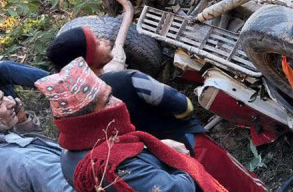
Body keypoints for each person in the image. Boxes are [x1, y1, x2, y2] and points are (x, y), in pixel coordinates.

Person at [47, 27, 268, 192]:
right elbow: (184, 105)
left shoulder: (74, 154)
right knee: (240, 184)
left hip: (165, 167)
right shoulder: (128, 80)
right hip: (189, 149)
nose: (117, 102)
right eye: (98, 42)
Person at [35, 57, 225, 192]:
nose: (118, 102)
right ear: (89, 117)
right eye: (108, 98)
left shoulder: (70, 155)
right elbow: (178, 189)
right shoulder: (114, 163)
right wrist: (177, 159)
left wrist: (156, 150)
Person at [0, 89, 75, 191]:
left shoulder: (7, 143)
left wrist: (22, 122)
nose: (12, 102)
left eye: (4, 96)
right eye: (0, 102)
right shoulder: (33, 161)